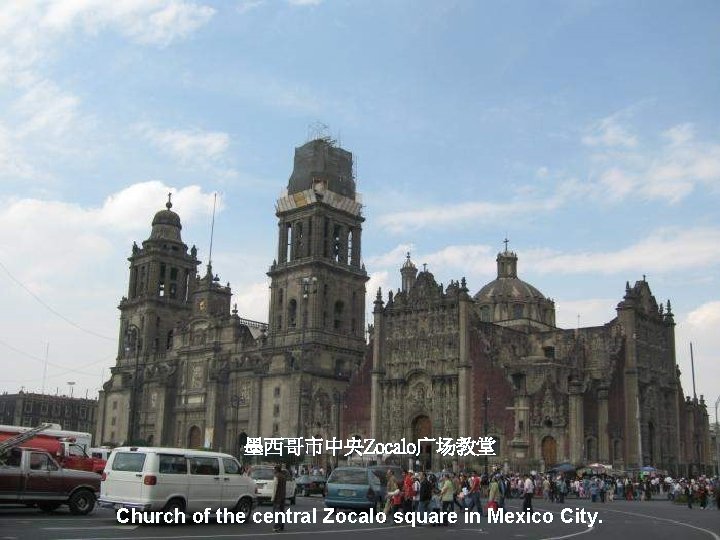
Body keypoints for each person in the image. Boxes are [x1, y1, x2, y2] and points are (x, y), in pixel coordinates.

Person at [272, 465, 287, 532]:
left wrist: (273, 498)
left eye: (274, 469)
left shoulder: (276, 476)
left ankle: (276, 526)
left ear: (276, 470)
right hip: (283, 496)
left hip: (277, 497)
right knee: (282, 512)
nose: (273, 471)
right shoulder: (283, 477)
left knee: (276, 512)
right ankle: (281, 526)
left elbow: (275, 488)